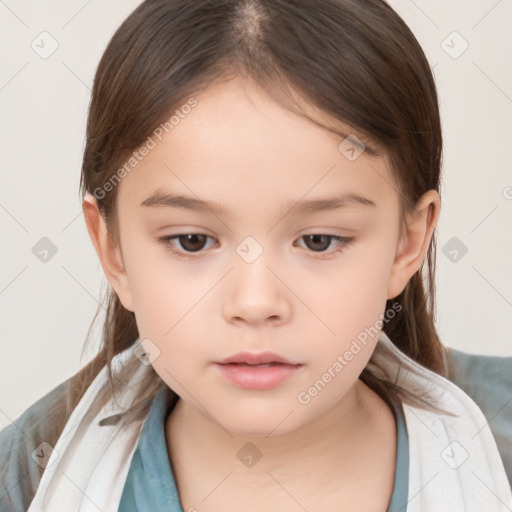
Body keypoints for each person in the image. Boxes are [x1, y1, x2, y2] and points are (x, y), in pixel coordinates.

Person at [1, 0, 511, 511]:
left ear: (409, 242)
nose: (255, 302)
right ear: (112, 249)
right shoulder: (24, 482)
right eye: (192, 241)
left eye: (319, 241)